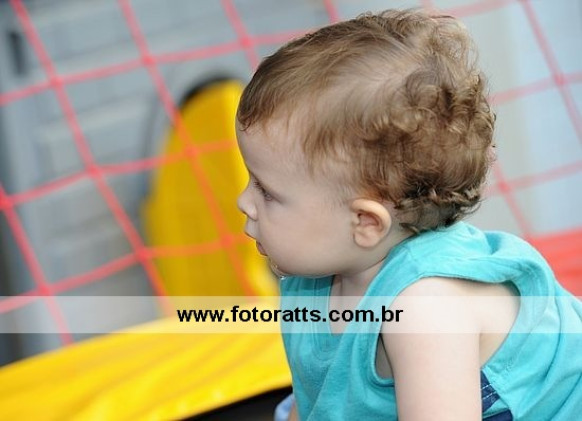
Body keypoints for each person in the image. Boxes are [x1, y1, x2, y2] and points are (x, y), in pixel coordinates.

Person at [235, 9, 582, 420]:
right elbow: (319, 395)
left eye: (267, 192)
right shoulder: (312, 277)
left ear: (366, 223)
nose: (244, 201)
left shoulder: (425, 309)